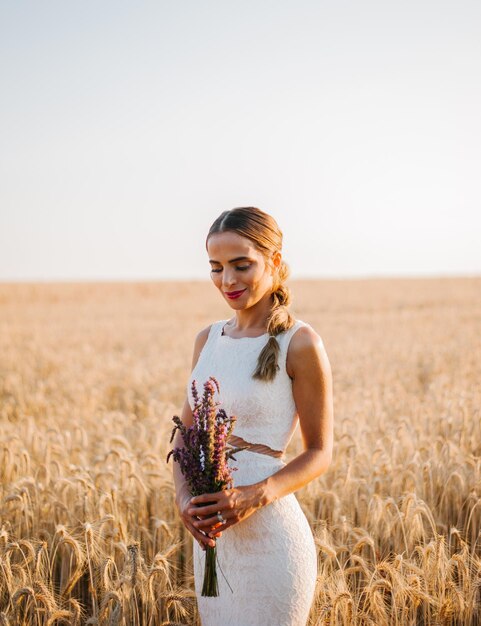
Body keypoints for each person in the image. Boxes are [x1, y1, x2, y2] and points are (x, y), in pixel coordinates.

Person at [172, 206, 334, 626]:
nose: (227, 280)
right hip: (214, 544)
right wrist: (185, 499)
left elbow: (319, 452)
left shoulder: (300, 343)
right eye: (216, 267)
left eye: (242, 265)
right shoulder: (207, 339)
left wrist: (252, 496)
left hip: (273, 544)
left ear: (274, 262)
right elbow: (183, 437)